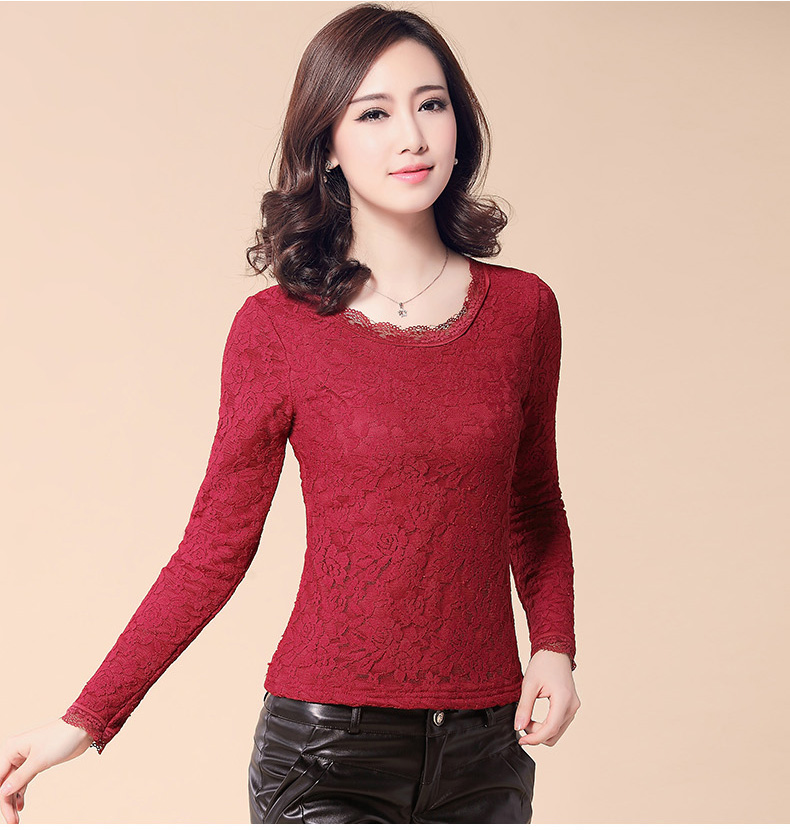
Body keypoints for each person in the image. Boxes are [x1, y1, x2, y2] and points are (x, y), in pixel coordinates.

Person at [0, 3, 581, 824]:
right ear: (328, 146)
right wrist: (84, 720)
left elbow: (534, 503)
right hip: (323, 751)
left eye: (432, 103)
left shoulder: (524, 311)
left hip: (487, 751)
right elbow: (212, 551)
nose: (412, 136)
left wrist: (553, 646)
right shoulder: (275, 330)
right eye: (373, 114)